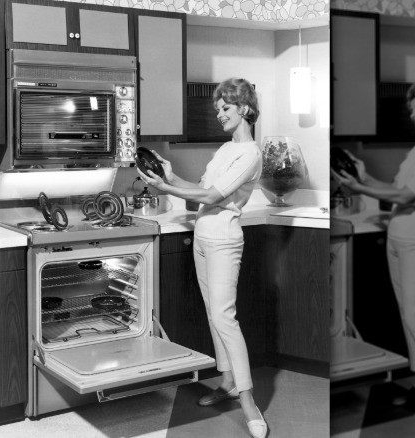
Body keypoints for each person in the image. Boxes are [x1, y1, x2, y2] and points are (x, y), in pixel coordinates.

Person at [137, 77, 267, 438]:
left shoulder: (250, 153)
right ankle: (226, 381)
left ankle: (248, 402)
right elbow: (198, 192)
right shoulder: (225, 151)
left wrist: (165, 188)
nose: (220, 115)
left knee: (225, 317)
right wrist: (168, 173)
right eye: (217, 110)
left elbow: (212, 198)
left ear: (244, 108)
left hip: (225, 238)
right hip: (202, 236)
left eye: (225, 108)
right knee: (213, 312)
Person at [331, 77, 415, 438]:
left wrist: (359, 187)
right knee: (406, 315)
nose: (413, 115)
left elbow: (404, 196)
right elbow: (392, 190)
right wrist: (361, 174)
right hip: (395, 235)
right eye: (411, 109)